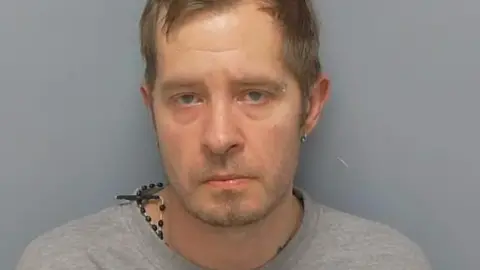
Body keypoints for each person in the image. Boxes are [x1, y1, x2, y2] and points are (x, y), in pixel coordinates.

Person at [16, 0, 431, 269]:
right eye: (187, 98)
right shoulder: (67, 263)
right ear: (152, 110)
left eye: (255, 95)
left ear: (312, 106)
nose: (219, 138)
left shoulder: (387, 263)